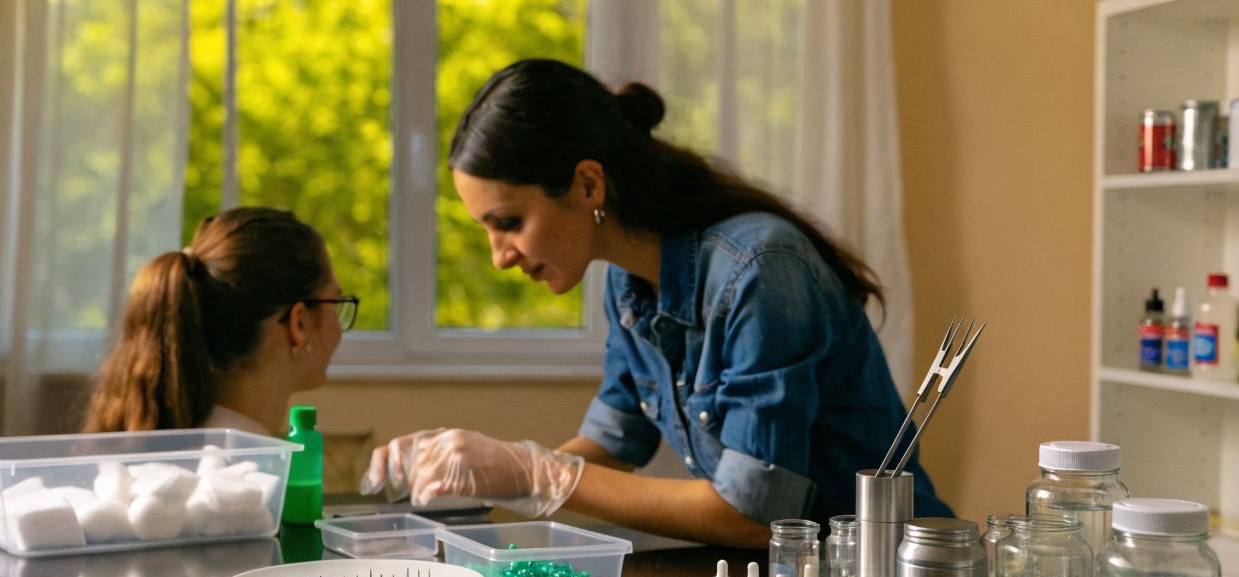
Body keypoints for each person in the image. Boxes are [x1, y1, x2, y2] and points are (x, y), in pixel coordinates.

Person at [361, 59, 951, 548]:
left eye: (509, 223)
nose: (500, 257)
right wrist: (480, 477)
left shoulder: (761, 271)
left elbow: (753, 514)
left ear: (589, 185)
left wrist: (531, 472)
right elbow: (614, 445)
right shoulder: (629, 284)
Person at [82, 206, 356, 435]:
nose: (338, 324)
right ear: (300, 324)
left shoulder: (166, 445)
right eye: (335, 303)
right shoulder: (248, 480)